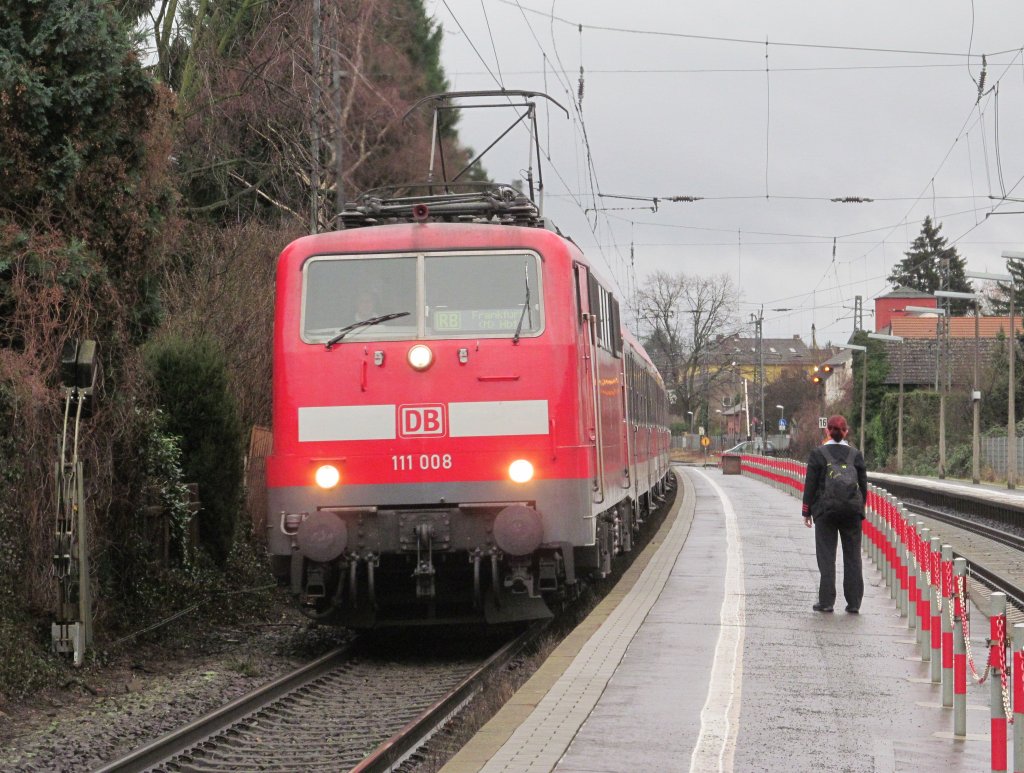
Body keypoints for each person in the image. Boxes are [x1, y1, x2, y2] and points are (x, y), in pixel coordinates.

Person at [800, 415, 868, 613]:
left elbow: (810, 485)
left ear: (827, 431)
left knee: (827, 556)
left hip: (825, 511)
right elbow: (863, 487)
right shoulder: (856, 455)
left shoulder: (818, 454)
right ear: (846, 432)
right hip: (851, 513)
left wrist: (807, 511)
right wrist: (858, 508)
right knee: (853, 556)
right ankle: (854, 602)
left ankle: (827, 602)